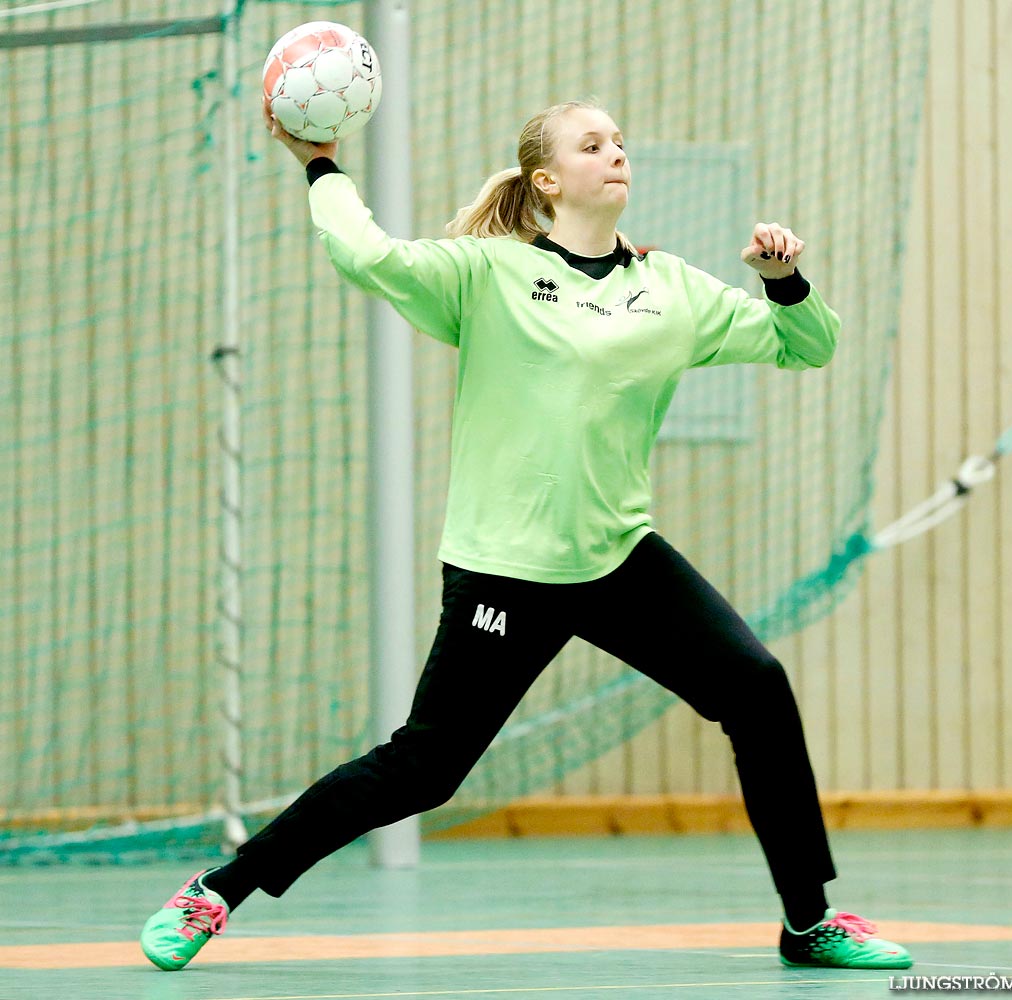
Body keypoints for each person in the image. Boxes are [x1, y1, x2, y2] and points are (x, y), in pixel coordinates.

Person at [139, 99, 912, 973]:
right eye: (592, 145)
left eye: (620, 142)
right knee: (424, 769)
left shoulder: (672, 288)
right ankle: (216, 891)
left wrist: (784, 279)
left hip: (618, 556)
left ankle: (807, 922)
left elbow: (804, 346)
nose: (616, 153)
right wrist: (320, 164)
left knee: (756, 688)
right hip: (504, 569)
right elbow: (366, 254)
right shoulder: (487, 274)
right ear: (547, 180)